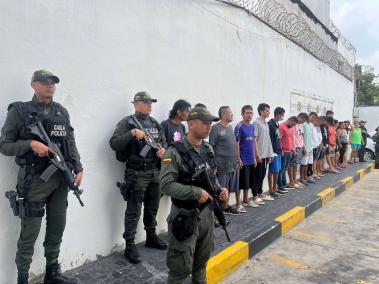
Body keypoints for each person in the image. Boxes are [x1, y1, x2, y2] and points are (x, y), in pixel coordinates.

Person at [0, 70, 83, 284]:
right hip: (34, 180)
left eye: (53, 82)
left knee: (57, 225)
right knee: (30, 233)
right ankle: (22, 279)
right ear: (33, 85)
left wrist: (78, 167)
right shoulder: (19, 111)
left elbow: (69, 143)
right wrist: (30, 144)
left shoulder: (61, 112)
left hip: (59, 179)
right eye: (45, 82)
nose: (50, 86)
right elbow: (4, 145)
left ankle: (52, 272)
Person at [160, 107, 228, 284]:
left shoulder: (208, 148)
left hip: (207, 217)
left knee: (201, 265)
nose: (209, 127)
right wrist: (196, 192)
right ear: (190, 124)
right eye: (204, 123)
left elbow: (211, 178)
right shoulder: (174, 151)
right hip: (185, 217)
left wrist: (220, 190)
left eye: (210, 123)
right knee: (180, 271)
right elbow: (166, 185)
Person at [109, 91, 168, 264]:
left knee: (152, 207)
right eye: (145, 102)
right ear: (135, 103)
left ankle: (151, 236)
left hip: (155, 172)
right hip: (137, 173)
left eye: (151, 102)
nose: (149, 105)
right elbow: (114, 143)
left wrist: (164, 151)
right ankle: (130, 245)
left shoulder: (154, 123)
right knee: (134, 209)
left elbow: (164, 143)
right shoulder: (127, 123)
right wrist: (133, 133)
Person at [209, 106, 240, 215]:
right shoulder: (215, 128)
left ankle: (226, 207)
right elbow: (211, 147)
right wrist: (214, 165)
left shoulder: (230, 128)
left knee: (228, 188)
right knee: (220, 190)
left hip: (232, 165)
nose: (232, 114)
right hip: (221, 165)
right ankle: (217, 213)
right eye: (230, 113)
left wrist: (237, 159)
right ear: (223, 115)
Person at [235, 105, 258, 210]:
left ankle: (245, 200)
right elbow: (237, 144)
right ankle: (238, 203)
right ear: (242, 114)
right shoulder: (239, 126)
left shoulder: (252, 126)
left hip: (250, 158)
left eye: (251, 113)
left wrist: (254, 157)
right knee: (240, 183)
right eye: (247, 113)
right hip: (242, 159)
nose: (249, 115)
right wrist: (238, 158)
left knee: (248, 182)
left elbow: (253, 142)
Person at [253, 103, 275, 203]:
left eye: (269, 111)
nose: (268, 112)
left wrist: (270, 154)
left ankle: (260, 193)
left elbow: (268, 139)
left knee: (262, 175)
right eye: (267, 110)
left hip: (266, 154)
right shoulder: (256, 123)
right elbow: (254, 140)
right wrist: (257, 155)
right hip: (259, 154)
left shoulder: (266, 123)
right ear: (261, 111)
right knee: (257, 175)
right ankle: (255, 195)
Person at [278, 116, 298, 191]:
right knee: (282, 169)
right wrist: (281, 150)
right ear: (290, 120)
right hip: (284, 152)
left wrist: (292, 149)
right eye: (293, 124)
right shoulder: (282, 126)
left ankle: (284, 184)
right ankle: (280, 186)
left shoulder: (289, 127)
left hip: (289, 151)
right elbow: (279, 139)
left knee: (285, 169)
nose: (293, 126)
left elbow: (290, 139)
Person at [268, 107, 284, 196]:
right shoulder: (270, 124)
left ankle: (275, 188)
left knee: (277, 170)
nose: (282, 117)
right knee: (272, 171)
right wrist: (271, 153)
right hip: (273, 151)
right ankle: (271, 189)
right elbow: (270, 140)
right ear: (278, 114)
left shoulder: (277, 124)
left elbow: (278, 139)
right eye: (282, 115)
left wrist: (281, 149)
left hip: (278, 151)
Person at [289, 113, 307, 188]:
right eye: (303, 120)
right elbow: (292, 137)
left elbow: (301, 136)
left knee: (296, 164)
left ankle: (295, 180)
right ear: (300, 117)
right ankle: (291, 181)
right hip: (294, 147)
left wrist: (303, 147)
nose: (303, 122)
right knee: (292, 164)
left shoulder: (300, 125)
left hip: (299, 146)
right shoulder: (293, 124)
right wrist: (293, 148)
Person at [300, 113, 315, 185]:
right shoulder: (303, 124)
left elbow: (312, 136)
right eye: (312, 117)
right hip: (305, 147)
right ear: (308, 116)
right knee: (303, 164)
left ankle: (306, 176)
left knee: (308, 163)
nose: (312, 119)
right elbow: (302, 136)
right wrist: (303, 147)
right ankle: (301, 178)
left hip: (310, 147)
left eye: (314, 118)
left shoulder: (311, 125)